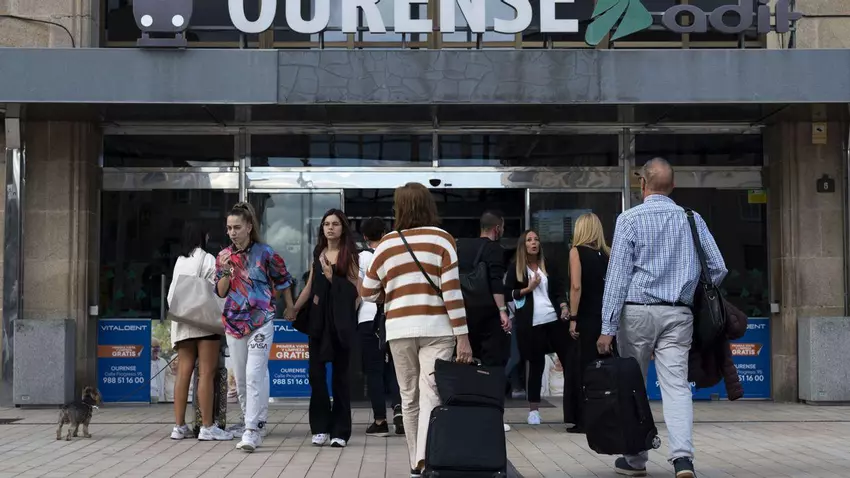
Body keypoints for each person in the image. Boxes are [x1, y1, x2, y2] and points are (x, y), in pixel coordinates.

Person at [597, 158, 726, 478]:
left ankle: (635, 459)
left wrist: (607, 327)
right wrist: (689, 288)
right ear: (673, 186)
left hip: (636, 312)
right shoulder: (691, 219)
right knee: (677, 386)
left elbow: (617, 278)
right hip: (678, 313)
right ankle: (682, 459)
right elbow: (718, 267)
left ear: (642, 184)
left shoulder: (629, 219)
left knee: (633, 386)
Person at [360, 182, 473, 478]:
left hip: (399, 329)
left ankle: (416, 462)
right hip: (438, 329)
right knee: (431, 392)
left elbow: (367, 291)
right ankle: (425, 458)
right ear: (429, 205)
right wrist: (463, 337)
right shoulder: (443, 239)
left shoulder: (386, 244)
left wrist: (392, 294)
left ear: (399, 208)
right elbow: (452, 293)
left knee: (408, 397)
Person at [215, 202, 295, 453]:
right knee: (241, 379)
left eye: (237, 227)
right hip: (234, 323)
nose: (232, 232)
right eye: (229, 228)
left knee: (254, 374)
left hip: (261, 321)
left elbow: (284, 280)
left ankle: (251, 430)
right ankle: (253, 422)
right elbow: (220, 292)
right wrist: (225, 272)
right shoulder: (223, 256)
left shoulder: (265, 253)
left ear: (249, 227)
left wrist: (290, 307)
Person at [292, 209, 360, 448]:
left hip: (339, 323)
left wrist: (333, 279)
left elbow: (356, 291)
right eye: (326, 224)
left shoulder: (349, 255)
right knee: (316, 375)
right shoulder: (318, 252)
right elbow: (310, 285)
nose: (330, 228)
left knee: (341, 377)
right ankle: (320, 426)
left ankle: (340, 430)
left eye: (335, 224)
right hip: (318, 321)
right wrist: (295, 308)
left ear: (343, 228)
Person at [168, 223, 231, 440]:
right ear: (205, 237)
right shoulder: (208, 259)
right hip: (205, 321)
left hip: (182, 320)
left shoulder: (180, 261)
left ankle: (179, 426)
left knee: (183, 372)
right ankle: (207, 426)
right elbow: (218, 290)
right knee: (206, 373)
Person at [504, 230, 572, 427]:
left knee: (569, 361)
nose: (534, 243)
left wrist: (564, 306)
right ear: (523, 245)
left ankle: (573, 408)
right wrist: (529, 288)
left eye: (536, 240)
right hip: (531, 324)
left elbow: (558, 289)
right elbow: (508, 293)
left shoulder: (547, 264)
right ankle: (534, 411)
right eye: (529, 240)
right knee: (536, 366)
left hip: (554, 320)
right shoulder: (516, 268)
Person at [456, 210, 512, 432]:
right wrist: (502, 311)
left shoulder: (460, 246)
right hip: (488, 315)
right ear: (497, 228)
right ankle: (492, 415)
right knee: (493, 367)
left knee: (465, 365)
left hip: (463, 314)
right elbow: (496, 282)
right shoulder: (494, 249)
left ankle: (465, 413)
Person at [356, 217, 404, 437]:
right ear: (385, 232)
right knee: (396, 367)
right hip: (394, 317)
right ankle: (400, 411)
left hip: (368, 319)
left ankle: (380, 421)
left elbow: (360, 292)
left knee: (374, 372)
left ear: (365, 237)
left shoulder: (362, 258)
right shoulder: (396, 254)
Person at [565, 213, 610, 434]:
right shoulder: (607, 254)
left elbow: (576, 286)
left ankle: (583, 418)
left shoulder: (576, 252)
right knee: (602, 369)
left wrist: (573, 318)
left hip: (586, 317)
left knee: (582, 368)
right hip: (605, 318)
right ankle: (604, 415)